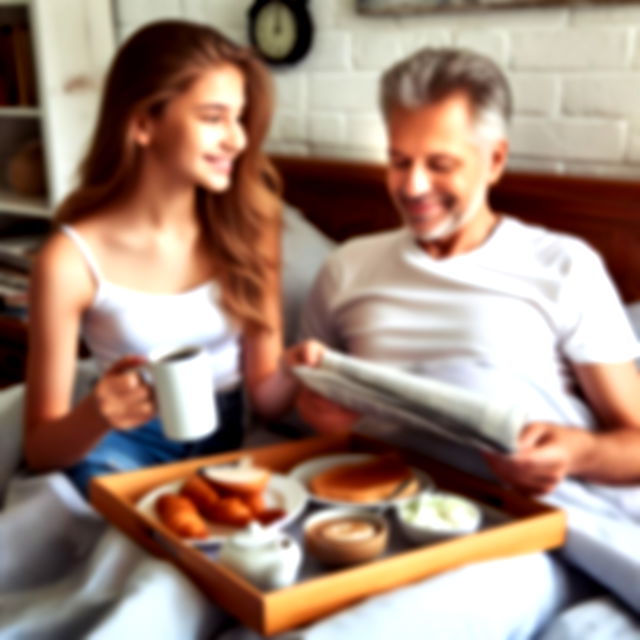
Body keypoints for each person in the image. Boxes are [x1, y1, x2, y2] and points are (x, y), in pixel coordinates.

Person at [281, 47, 640, 639]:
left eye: (439, 164)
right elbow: (311, 401)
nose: (413, 186)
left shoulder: (561, 267)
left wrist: (575, 453)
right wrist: (316, 413)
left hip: (517, 526)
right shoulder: (347, 268)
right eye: (399, 162)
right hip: (380, 507)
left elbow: (632, 442)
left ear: (494, 160)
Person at [23, 20, 299, 496]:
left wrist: (303, 372)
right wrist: (95, 415)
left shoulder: (251, 228)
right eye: (213, 118)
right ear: (144, 124)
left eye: (239, 117)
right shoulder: (68, 262)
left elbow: (267, 399)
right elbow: (41, 449)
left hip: (226, 444)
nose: (237, 139)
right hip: (121, 449)